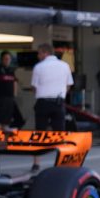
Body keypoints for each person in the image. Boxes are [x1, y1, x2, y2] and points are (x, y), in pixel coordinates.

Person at [31, 43, 73, 171]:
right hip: (58, 103)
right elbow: (69, 84)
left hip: (43, 103)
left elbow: (34, 86)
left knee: (39, 133)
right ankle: (61, 162)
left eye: (39, 53)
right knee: (60, 133)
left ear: (45, 53)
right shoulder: (65, 66)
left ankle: (37, 163)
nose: (38, 56)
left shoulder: (38, 67)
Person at [0, 51, 24, 130]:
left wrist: (14, 94)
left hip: (9, 99)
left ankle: (4, 139)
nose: (7, 60)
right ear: (2, 59)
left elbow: (14, 81)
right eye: (5, 59)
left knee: (7, 121)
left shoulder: (11, 71)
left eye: (9, 59)